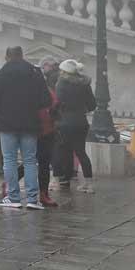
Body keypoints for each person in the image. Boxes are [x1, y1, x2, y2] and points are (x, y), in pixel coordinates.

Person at [0, 45, 48, 210]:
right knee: (30, 161)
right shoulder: (35, 74)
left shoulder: (0, 75)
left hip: (7, 123)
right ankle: (33, 199)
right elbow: (46, 100)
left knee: (10, 160)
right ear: (22, 55)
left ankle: (13, 197)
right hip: (30, 124)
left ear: (7, 57)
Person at [54, 59, 96, 191]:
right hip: (81, 122)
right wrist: (80, 110)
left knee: (60, 150)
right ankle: (88, 184)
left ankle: (58, 180)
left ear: (64, 71)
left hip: (64, 122)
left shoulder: (61, 83)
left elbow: (57, 103)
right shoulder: (84, 84)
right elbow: (92, 105)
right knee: (80, 152)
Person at [37, 59, 61, 207]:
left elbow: (56, 107)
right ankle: (9, 183)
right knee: (31, 161)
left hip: (48, 130)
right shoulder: (31, 92)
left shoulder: (49, 91)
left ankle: (44, 193)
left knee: (44, 163)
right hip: (35, 130)